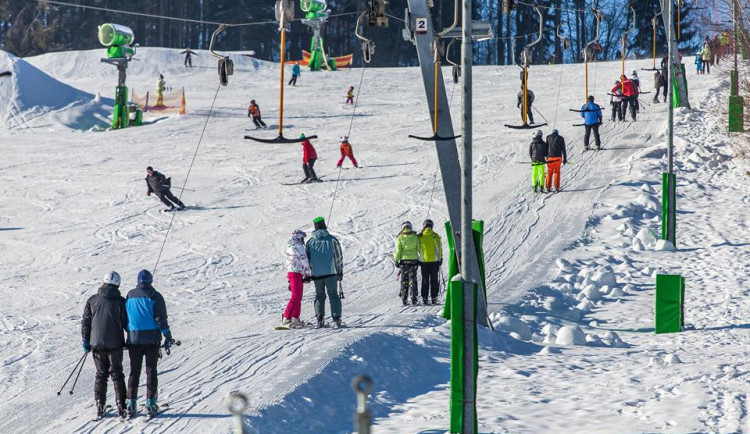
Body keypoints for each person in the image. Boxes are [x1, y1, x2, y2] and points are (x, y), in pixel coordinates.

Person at [125, 270, 173, 418]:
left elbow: (125, 316)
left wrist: (130, 331)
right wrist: (167, 336)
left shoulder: (130, 295)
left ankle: (130, 404)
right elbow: (161, 318)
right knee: (151, 371)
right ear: (150, 281)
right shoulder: (155, 296)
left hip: (134, 339)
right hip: (152, 339)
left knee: (134, 371)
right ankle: (150, 403)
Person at [82, 271, 128, 419]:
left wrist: (85, 341)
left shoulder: (92, 300)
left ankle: (100, 405)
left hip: (96, 344)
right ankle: (121, 406)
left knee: (101, 375)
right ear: (118, 284)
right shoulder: (121, 301)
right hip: (115, 344)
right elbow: (127, 323)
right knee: (117, 374)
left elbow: (86, 323)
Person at [305, 217, 344, 328]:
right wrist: (340, 271)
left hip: (316, 274)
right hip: (331, 273)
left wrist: (309, 274)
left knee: (319, 295)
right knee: (333, 295)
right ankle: (336, 318)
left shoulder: (310, 242)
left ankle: (319, 317)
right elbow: (338, 257)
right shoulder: (332, 240)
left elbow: (307, 259)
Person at [282, 230, 311, 328]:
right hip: (296, 273)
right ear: (299, 237)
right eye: (302, 238)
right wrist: (308, 273)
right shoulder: (298, 246)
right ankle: (287, 317)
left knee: (298, 297)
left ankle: (295, 318)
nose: (303, 240)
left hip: (292, 273)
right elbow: (303, 259)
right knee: (295, 296)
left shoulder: (289, 245)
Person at [394, 221, 421, 306]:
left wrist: (396, 260)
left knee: (404, 280)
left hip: (403, 261)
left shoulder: (400, 237)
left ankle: (404, 299)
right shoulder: (415, 237)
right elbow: (419, 249)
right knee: (413, 279)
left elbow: (398, 251)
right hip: (413, 261)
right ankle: (414, 298)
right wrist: (420, 259)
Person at [418, 219, 442, 305]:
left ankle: (424, 298)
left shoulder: (420, 236)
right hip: (434, 261)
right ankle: (434, 298)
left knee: (425, 280)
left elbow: (417, 248)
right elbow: (438, 248)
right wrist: (440, 258)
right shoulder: (435, 236)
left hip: (423, 262)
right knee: (434, 280)